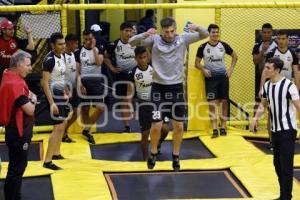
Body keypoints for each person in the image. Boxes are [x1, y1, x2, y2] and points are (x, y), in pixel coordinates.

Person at [129, 17, 208, 171]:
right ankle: (153, 152)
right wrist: (145, 34)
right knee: (157, 125)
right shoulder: (155, 40)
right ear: (162, 31)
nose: (170, 35)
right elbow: (131, 42)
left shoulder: (183, 39)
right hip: (158, 88)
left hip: (177, 88)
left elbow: (204, 35)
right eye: (166, 32)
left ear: (175, 29)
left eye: (172, 31)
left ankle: (176, 156)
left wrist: (197, 26)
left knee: (178, 126)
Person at [251, 57, 300, 200]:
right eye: (265, 67)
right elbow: (263, 105)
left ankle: (286, 197)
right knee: (277, 165)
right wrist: (255, 118)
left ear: (277, 70)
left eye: (268, 68)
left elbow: (298, 107)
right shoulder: (267, 86)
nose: (265, 70)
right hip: (275, 131)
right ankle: (283, 195)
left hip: (288, 130)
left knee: (286, 166)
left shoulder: (288, 86)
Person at [0, 50, 36, 200]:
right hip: (18, 133)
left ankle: (14, 196)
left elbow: (26, 93)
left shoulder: (9, 75)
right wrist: (32, 99)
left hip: (14, 130)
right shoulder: (15, 84)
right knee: (17, 168)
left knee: (16, 167)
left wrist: (29, 95)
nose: (30, 68)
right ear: (19, 65)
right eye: (28, 65)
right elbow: (30, 109)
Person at [195, 24, 238, 138]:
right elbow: (197, 63)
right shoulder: (202, 47)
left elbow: (235, 56)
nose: (215, 34)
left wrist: (230, 69)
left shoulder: (223, 45)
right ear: (209, 33)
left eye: (217, 32)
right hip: (210, 79)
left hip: (223, 78)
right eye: (213, 32)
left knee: (224, 102)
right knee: (212, 103)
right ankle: (214, 128)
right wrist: (203, 69)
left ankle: (223, 127)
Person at [127, 46, 169, 160]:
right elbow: (129, 93)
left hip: (156, 104)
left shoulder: (154, 69)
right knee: (145, 135)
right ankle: (145, 159)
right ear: (136, 58)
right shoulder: (133, 72)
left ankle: (157, 144)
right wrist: (131, 109)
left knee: (165, 129)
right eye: (140, 58)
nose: (143, 60)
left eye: (145, 57)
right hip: (143, 106)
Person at [261, 30, 299, 150]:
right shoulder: (272, 52)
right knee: (272, 114)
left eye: (283, 39)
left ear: (287, 40)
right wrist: (262, 88)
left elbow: (296, 71)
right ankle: (272, 141)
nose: (281, 41)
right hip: (274, 87)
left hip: (287, 88)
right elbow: (265, 71)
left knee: (291, 112)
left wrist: (297, 86)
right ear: (276, 39)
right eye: (279, 39)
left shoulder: (292, 53)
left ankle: (289, 137)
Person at [41, 32, 70, 170]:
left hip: (60, 93)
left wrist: (65, 90)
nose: (63, 46)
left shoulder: (62, 56)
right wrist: (52, 103)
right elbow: (44, 83)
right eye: (60, 44)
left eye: (64, 43)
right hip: (52, 95)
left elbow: (61, 76)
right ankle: (47, 161)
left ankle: (56, 153)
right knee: (58, 126)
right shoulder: (49, 60)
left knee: (63, 123)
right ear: (53, 45)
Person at [105, 22, 137, 133]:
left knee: (137, 99)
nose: (128, 33)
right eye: (126, 31)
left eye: (130, 31)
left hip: (135, 73)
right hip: (122, 74)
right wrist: (112, 68)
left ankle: (143, 123)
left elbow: (145, 55)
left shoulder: (136, 42)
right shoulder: (114, 44)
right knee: (124, 100)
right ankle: (127, 126)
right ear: (121, 31)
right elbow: (106, 57)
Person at [76, 30, 105, 144]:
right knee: (85, 109)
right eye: (86, 39)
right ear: (83, 38)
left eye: (90, 39)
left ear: (93, 39)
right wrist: (80, 84)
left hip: (96, 81)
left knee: (100, 108)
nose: (88, 41)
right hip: (84, 81)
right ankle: (88, 132)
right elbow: (77, 71)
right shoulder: (79, 52)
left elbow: (99, 63)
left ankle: (87, 128)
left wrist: (93, 48)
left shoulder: (98, 49)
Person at [252, 23, 277, 149]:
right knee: (258, 102)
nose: (266, 34)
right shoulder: (257, 45)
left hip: (274, 80)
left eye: (269, 32)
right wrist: (262, 52)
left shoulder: (276, 45)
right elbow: (255, 61)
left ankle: (274, 133)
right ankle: (254, 127)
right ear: (261, 32)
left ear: (272, 33)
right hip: (260, 78)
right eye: (264, 32)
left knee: (272, 107)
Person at [0, 18, 34, 82]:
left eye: (13, 28)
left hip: (14, 70)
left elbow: (31, 47)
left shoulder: (15, 40)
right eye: (9, 29)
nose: (12, 31)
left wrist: (29, 33)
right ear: (3, 30)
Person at [62, 33, 79, 143]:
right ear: (69, 43)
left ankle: (64, 130)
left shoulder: (73, 55)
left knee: (77, 111)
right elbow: (60, 76)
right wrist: (66, 91)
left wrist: (79, 84)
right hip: (64, 89)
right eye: (76, 43)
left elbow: (75, 72)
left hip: (73, 87)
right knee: (64, 114)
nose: (77, 45)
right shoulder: (62, 56)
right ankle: (62, 134)